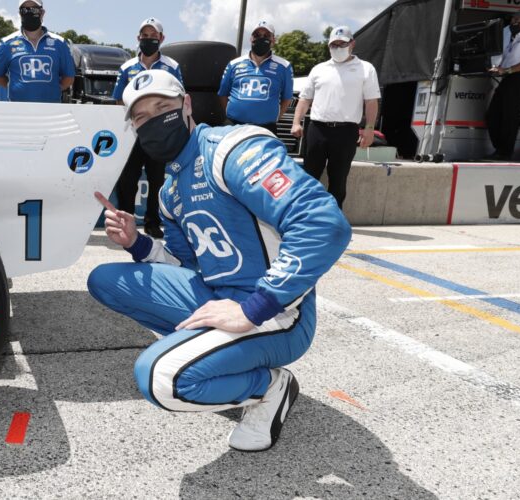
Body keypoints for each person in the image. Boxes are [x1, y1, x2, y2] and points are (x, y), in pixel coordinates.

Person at [87, 69, 351, 452]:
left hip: (279, 314)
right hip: (218, 295)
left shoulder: (231, 150)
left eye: (163, 107)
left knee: (164, 379)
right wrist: (137, 245)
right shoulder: (170, 190)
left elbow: (323, 224)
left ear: (187, 105)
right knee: (105, 280)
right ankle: (217, 355)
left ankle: (270, 386)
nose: (154, 121)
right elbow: (186, 266)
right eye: (141, 118)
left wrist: (252, 309)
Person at [291, 26, 380, 209]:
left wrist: (369, 129)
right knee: (308, 176)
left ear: (352, 44)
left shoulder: (366, 69)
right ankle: (303, 216)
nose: (338, 47)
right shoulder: (318, 69)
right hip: (317, 128)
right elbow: (305, 98)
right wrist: (296, 122)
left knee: (338, 178)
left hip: (346, 131)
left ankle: (333, 220)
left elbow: (371, 101)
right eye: (334, 44)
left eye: (342, 43)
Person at [112, 18, 183, 239]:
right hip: (132, 133)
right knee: (127, 179)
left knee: (156, 179)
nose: (148, 39)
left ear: (161, 39)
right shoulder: (126, 67)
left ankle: (153, 222)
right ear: (138, 38)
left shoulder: (172, 66)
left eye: (153, 35)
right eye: (144, 35)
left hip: (160, 133)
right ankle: (126, 219)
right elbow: (118, 100)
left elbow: (179, 96)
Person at [0, 0, 75, 103]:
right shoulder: (6, 43)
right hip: (18, 109)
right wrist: (15, 87)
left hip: (52, 110)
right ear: (20, 14)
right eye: (25, 10)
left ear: (42, 13)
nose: (29, 13)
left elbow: (69, 77)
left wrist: (53, 90)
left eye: (33, 9)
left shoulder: (60, 43)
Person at [218, 21, 293, 134]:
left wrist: (275, 117)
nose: (261, 38)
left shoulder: (284, 66)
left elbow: (287, 98)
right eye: (257, 35)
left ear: (273, 40)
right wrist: (230, 114)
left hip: (266, 128)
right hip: (234, 125)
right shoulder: (234, 64)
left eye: (266, 36)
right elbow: (223, 94)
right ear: (251, 39)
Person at [485, 12, 520, 161]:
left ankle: (504, 152)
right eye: (512, 19)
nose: (513, 22)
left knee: (509, 114)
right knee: (493, 115)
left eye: (517, 19)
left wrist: (508, 70)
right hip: (510, 75)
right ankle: (501, 150)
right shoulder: (512, 34)